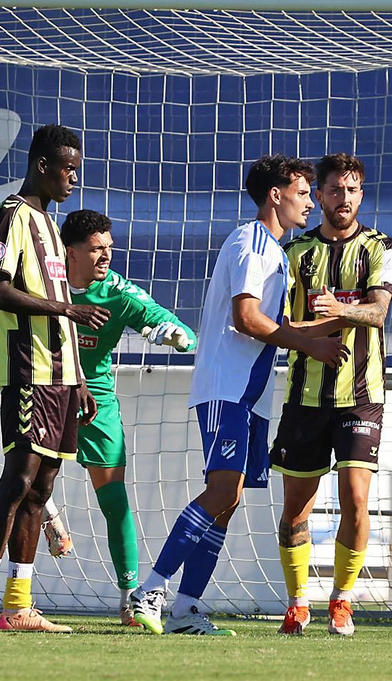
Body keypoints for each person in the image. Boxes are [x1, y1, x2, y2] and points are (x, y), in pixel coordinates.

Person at [127, 154, 345, 636]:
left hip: (250, 395)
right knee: (222, 489)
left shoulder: (274, 250)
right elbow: (247, 319)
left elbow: (275, 324)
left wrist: (336, 321)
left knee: (230, 497)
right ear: (276, 195)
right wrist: (311, 343)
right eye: (303, 193)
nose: (310, 203)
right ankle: (151, 590)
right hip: (227, 387)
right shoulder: (252, 241)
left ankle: (186, 608)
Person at [0, 124, 108, 633]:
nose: (73, 178)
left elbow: (56, 310)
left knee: (41, 490)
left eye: (76, 169)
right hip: (27, 370)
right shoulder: (11, 214)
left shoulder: (51, 223)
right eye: (67, 168)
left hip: (63, 379)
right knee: (19, 479)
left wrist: (80, 380)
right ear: (43, 165)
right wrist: (64, 308)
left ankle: (18, 605)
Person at [270, 153, 392, 637]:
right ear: (319, 195)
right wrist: (323, 322)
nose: (343, 199)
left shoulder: (382, 247)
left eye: (353, 190)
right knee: (296, 508)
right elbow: (280, 326)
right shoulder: (296, 253)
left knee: (355, 499)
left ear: (361, 195)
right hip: (304, 395)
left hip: (363, 394)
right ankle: (298, 602)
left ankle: (342, 601)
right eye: (334, 190)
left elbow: (380, 313)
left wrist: (336, 312)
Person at [60, 208, 197, 625]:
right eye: (96, 249)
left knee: (114, 499)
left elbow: (178, 330)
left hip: (95, 397)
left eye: (109, 248)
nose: (106, 257)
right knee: (26, 486)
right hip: (46, 387)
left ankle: (128, 599)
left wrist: (171, 334)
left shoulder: (117, 291)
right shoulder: (44, 284)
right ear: (70, 253)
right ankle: (13, 597)